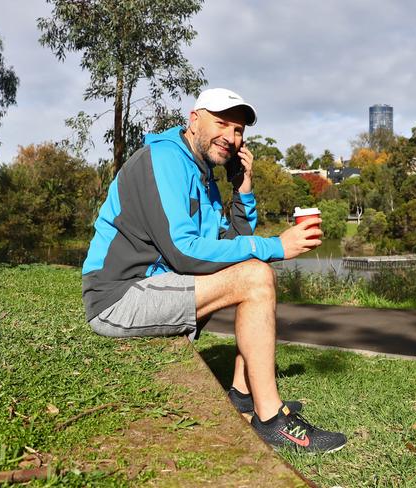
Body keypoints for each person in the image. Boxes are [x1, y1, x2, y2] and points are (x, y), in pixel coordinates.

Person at [81, 88, 347, 453]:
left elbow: (232, 249)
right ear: (194, 120)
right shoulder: (164, 159)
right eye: (221, 123)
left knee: (254, 272)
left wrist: (244, 189)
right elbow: (185, 253)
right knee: (256, 275)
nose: (231, 137)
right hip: (118, 298)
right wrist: (275, 246)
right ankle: (271, 420)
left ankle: (242, 395)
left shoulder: (203, 176)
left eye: (238, 130)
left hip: (158, 286)